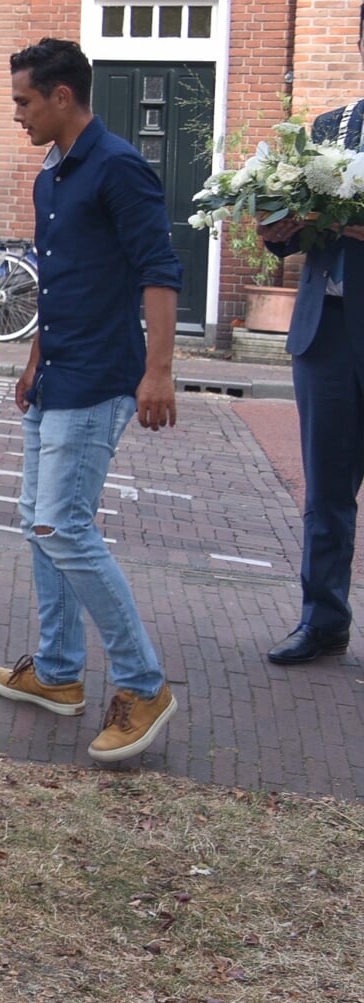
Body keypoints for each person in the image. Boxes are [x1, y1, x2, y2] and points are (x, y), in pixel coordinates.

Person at [0, 38, 181, 763]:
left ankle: (143, 682)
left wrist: (158, 372)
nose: (18, 115)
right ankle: (59, 673)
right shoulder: (51, 173)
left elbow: (160, 270)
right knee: (40, 524)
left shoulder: (120, 168)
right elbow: (62, 278)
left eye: (24, 101)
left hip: (102, 379)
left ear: (62, 96)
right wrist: (34, 357)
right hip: (58, 374)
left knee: (63, 526)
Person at [257, 7, 364, 665]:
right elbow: (296, 221)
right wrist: (276, 231)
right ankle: (323, 620)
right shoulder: (332, 127)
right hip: (326, 335)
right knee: (325, 492)